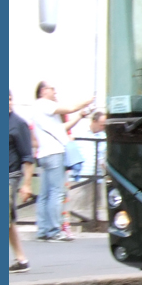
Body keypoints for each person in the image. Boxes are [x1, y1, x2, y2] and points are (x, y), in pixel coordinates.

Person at [32, 81, 92, 242]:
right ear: (44, 91)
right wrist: (86, 102)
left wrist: (80, 116)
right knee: (56, 193)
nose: (55, 93)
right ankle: (54, 230)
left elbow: (62, 128)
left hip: (44, 154)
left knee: (45, 194)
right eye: (53, 89)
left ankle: (43, 229)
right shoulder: (44, 104)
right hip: (54, 153)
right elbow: (70, 108)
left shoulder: (39, 108)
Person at [9, 91, 35, 272]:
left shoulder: (18, 124)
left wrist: (26, 184)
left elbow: (28, 157)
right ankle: (22, 259)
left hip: (11, 175)